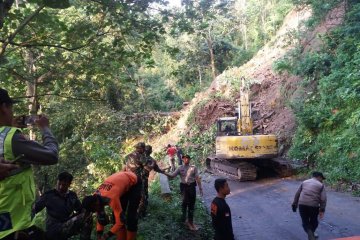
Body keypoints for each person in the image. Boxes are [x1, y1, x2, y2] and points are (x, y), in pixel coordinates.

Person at [0, 88, 59, 240]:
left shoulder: (9, 135)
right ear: (4, 108)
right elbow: (51, 155)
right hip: (15, 227)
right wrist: (45, 128)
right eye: (11, 107)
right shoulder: (12, 138)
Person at [82, 171, 141, 240]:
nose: (96, 211)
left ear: (96, 203)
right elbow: (101, 217)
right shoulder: (95, 197)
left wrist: (107, 235)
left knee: (131, 217)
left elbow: (120, 222)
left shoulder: (111, 198)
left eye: (94, 209)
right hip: (121, 183)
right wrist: (99, 235)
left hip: (134, 181)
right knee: (116, 217)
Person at [33, 171, 86, 240]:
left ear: (69, 184)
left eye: (64, 185)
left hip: (67, 224)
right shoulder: (49, 195)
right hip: (53, 229)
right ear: (57, 182)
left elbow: (81, 210)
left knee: (87, 216)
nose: (60, 187)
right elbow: (34, 210)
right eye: (59, 184)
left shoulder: (72, 196)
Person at [165, 154, 203, 231]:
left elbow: (197, 178)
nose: (186, 160)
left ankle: (191, 221)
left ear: (189, 159)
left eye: (187, 158)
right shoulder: (180, 168)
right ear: (182, 160)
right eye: (184, 158)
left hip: (192, 187)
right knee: (184, 203)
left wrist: (200, 188)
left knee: (192, 204)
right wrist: (164, 173)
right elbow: (172, 176)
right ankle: (184, 220)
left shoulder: (193, 168)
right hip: (184, 187)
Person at [292, 171, 327, 240]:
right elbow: (323, 199)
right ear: (319, 177)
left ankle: (310, 233)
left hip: (302, 204)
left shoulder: (304, 182)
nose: (322, 180)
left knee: (305, 221)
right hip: (313, 206)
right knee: (314, 222)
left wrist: (294, 204)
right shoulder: (320, 185)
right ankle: (311, 235)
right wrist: (322, 209)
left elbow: (297, 194)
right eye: (321, 179)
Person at [138, 145, 166, 217]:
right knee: (143, 196)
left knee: (143, 196)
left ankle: (141, 213)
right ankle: (141, 214)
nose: (147, 151)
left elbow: (157, 169)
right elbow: (156, 169)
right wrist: (163, 171)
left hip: (140, 179)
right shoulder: (142, 157)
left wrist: (163, 171)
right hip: (141, 179)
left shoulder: (140, 157)